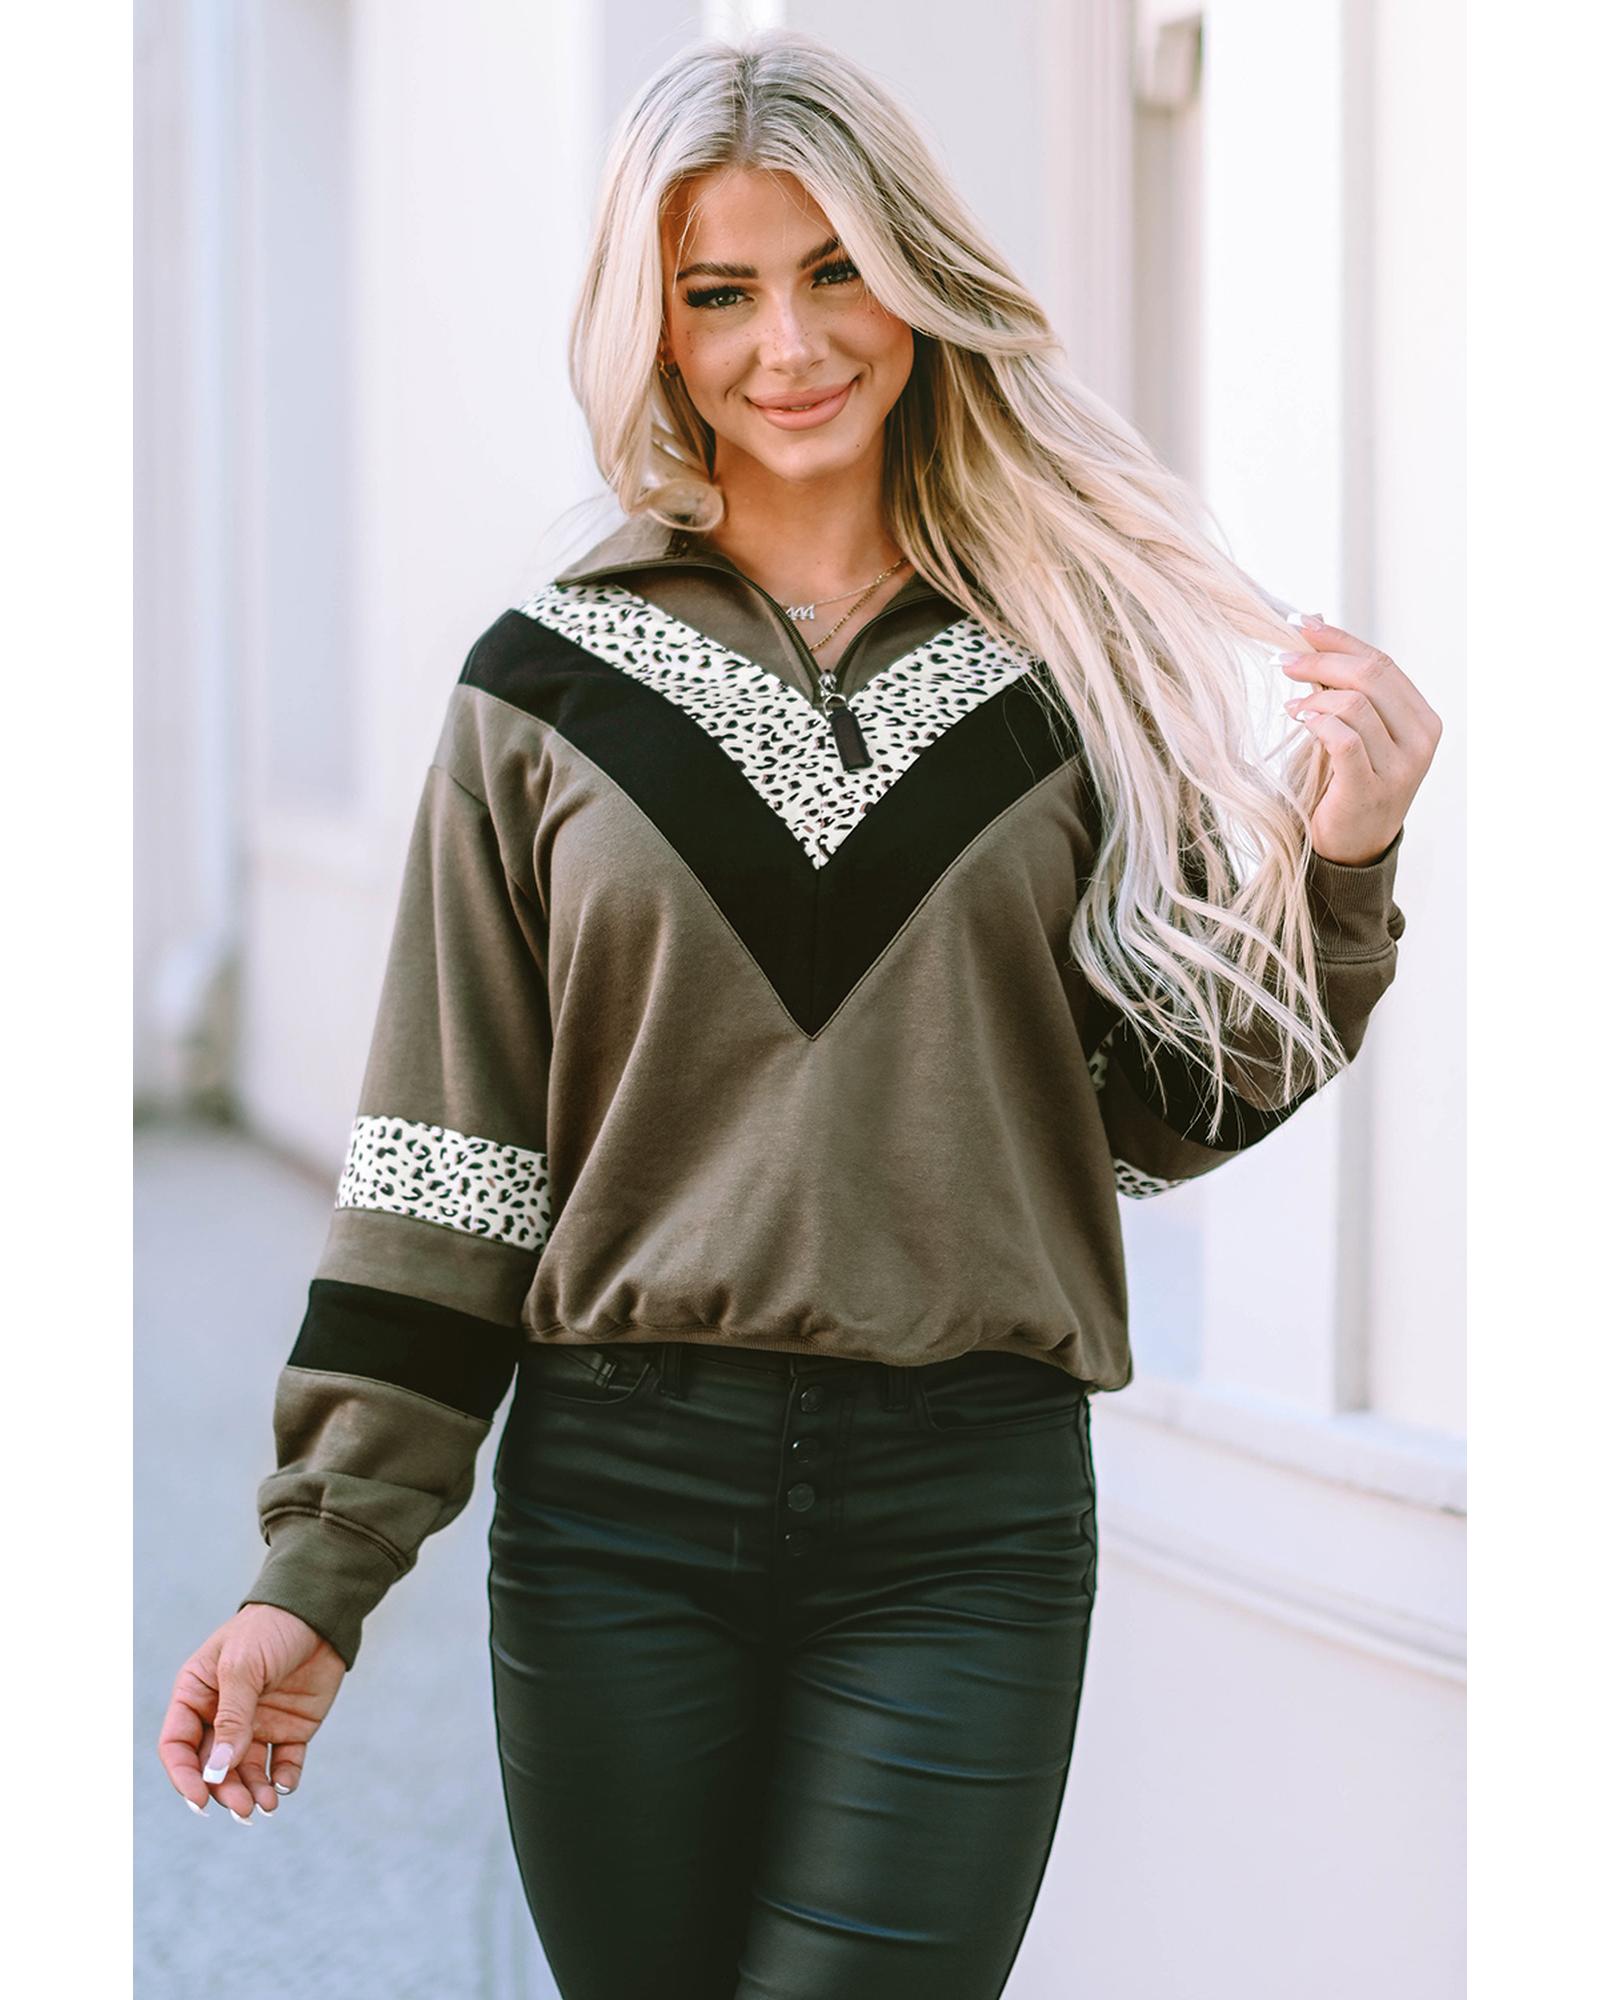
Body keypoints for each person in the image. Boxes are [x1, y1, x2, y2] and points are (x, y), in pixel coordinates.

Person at [157, 26, 1441, 1999]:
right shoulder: (539, 692)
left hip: (964, 1519)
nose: (790, 343)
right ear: (653, 329)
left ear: (919, 277)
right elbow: (444, 1170)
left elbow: (1163, 1104)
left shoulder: (1063, 673)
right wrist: (314, 1571)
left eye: (838, 268)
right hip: (616, 1516)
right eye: (719, 291)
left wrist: (1337, 866)